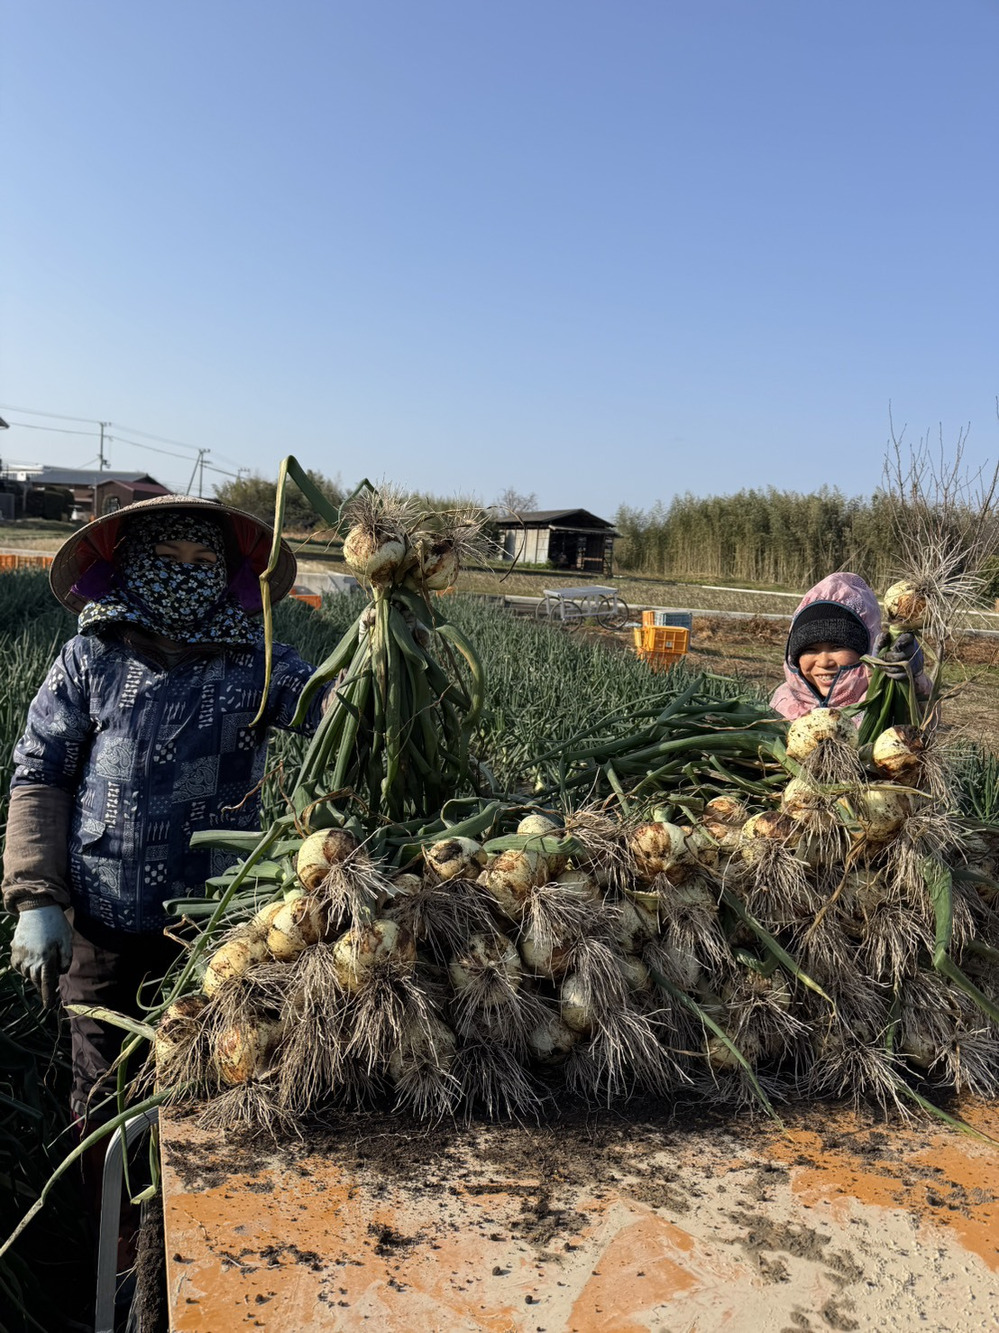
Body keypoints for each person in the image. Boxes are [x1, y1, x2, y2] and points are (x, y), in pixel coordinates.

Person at [2, 494, 327, 1128]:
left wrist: (374, 660)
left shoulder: (258, 660)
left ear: (225, 573)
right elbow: (41, 775)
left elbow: (329, 707)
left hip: (218, 926)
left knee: (204, 1080)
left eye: (203, 560)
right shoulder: (91, 657)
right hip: (102, 922)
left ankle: (175, 1195)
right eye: (166, 556)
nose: (185, 571)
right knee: (102, 1085)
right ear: (129, 564)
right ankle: (107, 1191)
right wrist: (36, 897)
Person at [770, 572, 924, 720]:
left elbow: (923, 717)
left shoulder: (883, 699)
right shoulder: (783, 701)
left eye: (836, 647)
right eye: (810, 649)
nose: (824, 662)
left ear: (866, 648)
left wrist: (912, 681)